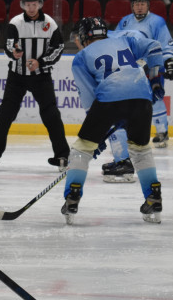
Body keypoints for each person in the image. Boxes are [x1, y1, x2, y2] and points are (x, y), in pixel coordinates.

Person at [62, 17, 165, 225]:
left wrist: (95, 136)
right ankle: (153, 196)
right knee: (141, 150)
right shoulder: (125, 41)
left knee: (82, 149)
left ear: (84, 36)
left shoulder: (81, 57)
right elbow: (154, 47)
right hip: (141, 98)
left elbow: (90, 100)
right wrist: (155, 79)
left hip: (109, 99)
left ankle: (72, 196)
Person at [0, 0, 70, 169]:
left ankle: (62, 155)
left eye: (34, 4)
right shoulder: (15, 23)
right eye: (27, 4)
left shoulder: (50, 24)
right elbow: (8, 45)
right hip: (17, 77)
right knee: (5, 115)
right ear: (22, 5)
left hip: (41, 76)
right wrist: (14, 53)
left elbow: (58, 47)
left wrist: (41, 62)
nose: (31, 8)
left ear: (40, 4)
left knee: (51, 115)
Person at [107, 0, 173, 170]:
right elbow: (115, 41)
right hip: (132, 67)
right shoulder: (125, 21)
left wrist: (168, 62)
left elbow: (165, 43)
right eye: (136, 4)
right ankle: (131, 136)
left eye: (142, 4)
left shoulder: (157, 21)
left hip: (152, 65)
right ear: (132, 6)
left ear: (148, 5)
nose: (139, 7)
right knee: (131, 102)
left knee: (156, 97)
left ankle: (162, 132)